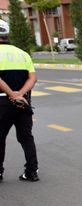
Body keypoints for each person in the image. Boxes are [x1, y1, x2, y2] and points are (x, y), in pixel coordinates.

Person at [0, 21, 39, 183]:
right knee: (26, 137)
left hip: (2, 102)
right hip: (24, 102)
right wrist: (20, 94)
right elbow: (33, 77)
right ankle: (31, 172)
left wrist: (11, 94)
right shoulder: (23, 54)